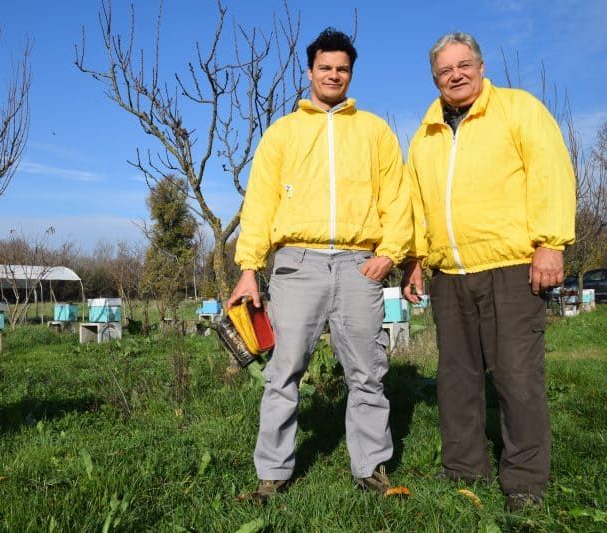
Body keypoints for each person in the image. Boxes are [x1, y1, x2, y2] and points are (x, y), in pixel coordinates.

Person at [228, 27, 412, 501]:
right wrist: (249, 266)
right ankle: (272, 475)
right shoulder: (282, 133)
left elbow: (397, 198)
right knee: (283, 372)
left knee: (368, 373)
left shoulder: (374, 131)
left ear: (351, 75)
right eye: (325, 67)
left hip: (358, 265)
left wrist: (391, 252)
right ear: (309, 72)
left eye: (342, 68)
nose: (334, 75)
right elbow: (260, 205)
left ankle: (370, 468)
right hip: (297, 265)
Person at [400, 32, 575, 511]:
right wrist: (417, 259)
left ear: (480, 65)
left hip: (511, 266)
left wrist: (549, 243)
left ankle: (524, 482)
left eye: (463, 65)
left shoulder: (519, 109)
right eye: (444, 70)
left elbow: (551, 173)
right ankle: (464, 469)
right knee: (456, 378)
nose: (455, 74)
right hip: (449, 276)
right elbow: (416, 203)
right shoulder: (425, 134)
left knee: (516, 377)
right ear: (434, 78)